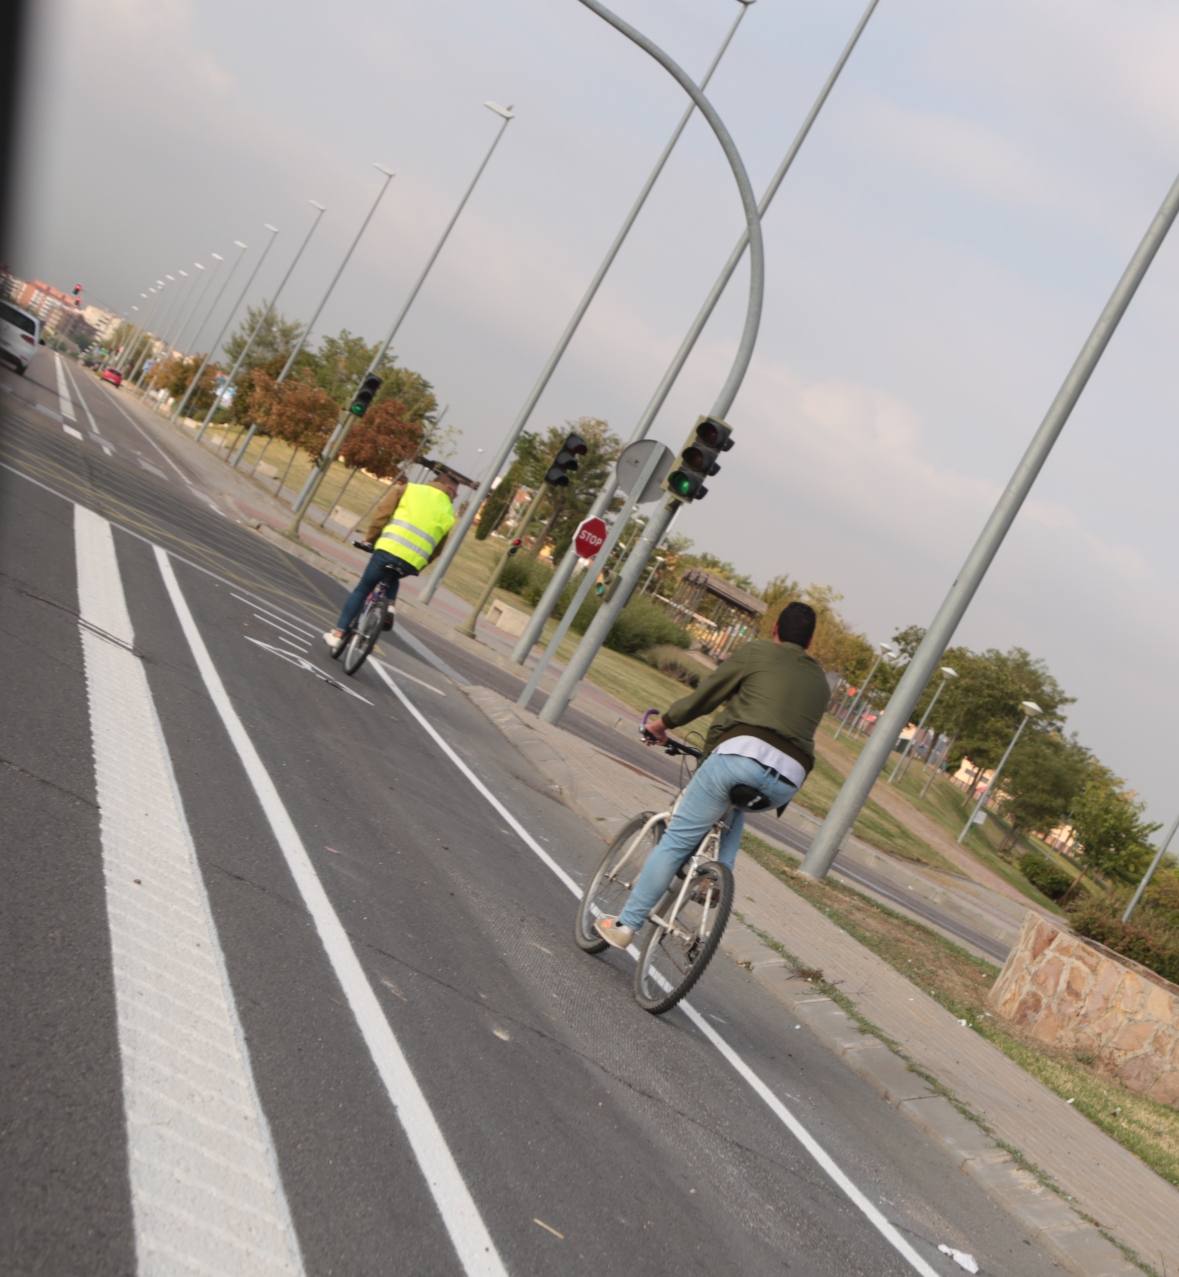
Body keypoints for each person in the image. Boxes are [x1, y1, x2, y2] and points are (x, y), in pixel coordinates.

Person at [595, 601, 829, 949]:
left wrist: (662, 724)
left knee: (676, 842)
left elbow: (705, 697)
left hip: (739, 757)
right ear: (809, 644)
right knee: (732, 806)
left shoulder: (758, 652)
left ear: (775, 631)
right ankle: (716, 876)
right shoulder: (820, 682)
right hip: (786, 782)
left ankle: (625, 925)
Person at [323, 470, 459, 647]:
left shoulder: (408, 489)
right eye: (455, 493)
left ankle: (338, 633)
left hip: (388, 549)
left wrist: (369, 539)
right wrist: (421, 564)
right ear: (448, 487)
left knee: (364, 588)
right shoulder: (449, 512)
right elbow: (438, 547)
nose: (455, 497)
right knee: (393, 576)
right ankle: (389, 606)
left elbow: (382, 514)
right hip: (412, 561)